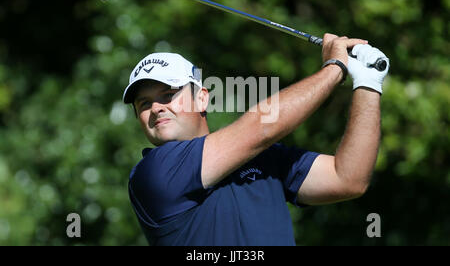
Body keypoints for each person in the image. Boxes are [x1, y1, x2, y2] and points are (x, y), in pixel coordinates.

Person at [124, 33, 390, 245]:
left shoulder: (264, 157)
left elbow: (349, 178)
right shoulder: (154, 172)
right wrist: (335, 68)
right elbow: (262, 128)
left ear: (202, 97)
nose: (156, 108)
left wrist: (368, 84)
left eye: (168, 95)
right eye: (144, 103)